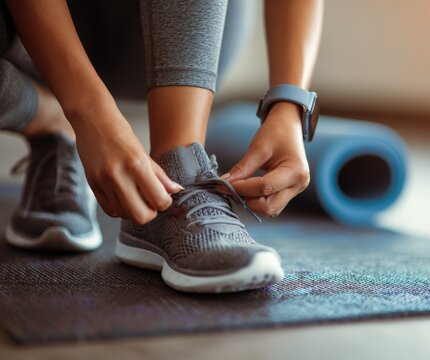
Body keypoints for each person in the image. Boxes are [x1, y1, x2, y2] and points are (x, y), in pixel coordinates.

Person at [0, 0, 323, 293]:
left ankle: (179, 163)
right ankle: (52, 122)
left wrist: (289, 104)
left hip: (174, 24)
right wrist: (87, 115)